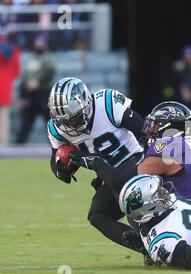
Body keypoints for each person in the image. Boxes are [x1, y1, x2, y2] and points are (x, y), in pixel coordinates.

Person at [69, 101, 191, 253]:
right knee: (139, 196)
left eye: (155, 124)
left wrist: (95, 163)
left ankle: (152, 248)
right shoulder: (185, 144)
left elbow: (120, 182)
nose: (149, 128)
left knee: (136, 198)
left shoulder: (167, 146)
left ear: (168, 127)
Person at [47, 77, 147, 252]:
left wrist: (152, 163)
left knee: (126, 198)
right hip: (109, 174)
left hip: (134, 162)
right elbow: (58, 168)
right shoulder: (57, 128)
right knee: (98, 215)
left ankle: (154, 238)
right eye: (65, 121)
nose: (70, 125)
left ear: (86, 105)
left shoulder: (107, 102)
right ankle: (144, 247)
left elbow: (143, 129)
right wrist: (64, 166)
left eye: (74, 119)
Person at [16, 33, 55, 144]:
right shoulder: (31, 59)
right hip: (31, 96)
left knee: (49, 125)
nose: (38, 45)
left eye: (41, 43)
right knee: (25, 124)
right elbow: (25, 78)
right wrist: (21, 96)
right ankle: (17, 150)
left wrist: (38, 82)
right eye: (37, 42)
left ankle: (56, 147)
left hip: (44, 95)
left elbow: (50, 74)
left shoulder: (48, 58)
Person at [0, 29, 20, 146]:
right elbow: (17, 72)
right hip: (6, 89)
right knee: (4, 120)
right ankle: (3, 145)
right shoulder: (15, 50)